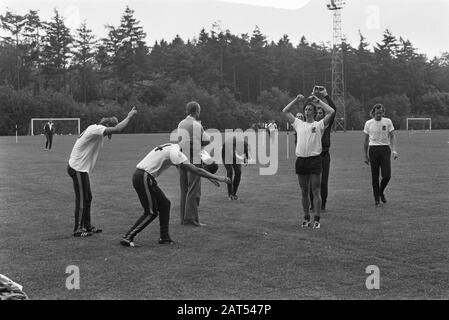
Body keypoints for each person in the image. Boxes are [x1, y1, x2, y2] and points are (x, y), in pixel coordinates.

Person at [120, 143, 230, 247]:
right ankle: (128, 237)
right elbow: (195, 169)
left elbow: (190, 168)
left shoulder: (173, 147)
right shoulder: (177, 153)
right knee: (151, 212)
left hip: (143, 176)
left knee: (165, 204)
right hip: (143, 177)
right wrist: (219, 178)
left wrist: (209, 178)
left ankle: (164, 238)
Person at [67, 106, 138, 237]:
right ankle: (78, 229)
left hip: (81, 169)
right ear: (106, 126)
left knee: (88, 198)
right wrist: (129, 116)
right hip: (77, 168)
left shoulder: (96, 130)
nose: (109, 133)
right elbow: (118, 129)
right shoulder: (95, 129)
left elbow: (113, 129)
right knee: (82, 199)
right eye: (109, 129)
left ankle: (87, 226)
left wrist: (112, 126)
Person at [282, 94, 335, 229]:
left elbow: (331, 111)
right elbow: (285, 111)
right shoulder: (298, 123)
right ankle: (306, 218)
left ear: (315, 112)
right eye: (306, 109)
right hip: (301, 161)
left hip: (315, 160)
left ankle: (316, 219)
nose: (307, 111)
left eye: (310, 109)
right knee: (304, 191)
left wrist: (318, 101)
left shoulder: (319, 125)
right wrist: (296, 100)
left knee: (316, 191)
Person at [177, 101, 211, 227]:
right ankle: (191, 219)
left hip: (181, 158)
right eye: (199, 110)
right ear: (196, 110)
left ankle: (183, 218)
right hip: (193, 159)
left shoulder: (181, 123)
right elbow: (207, 140)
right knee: (194, 189)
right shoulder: (196, 125)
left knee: (184, 189)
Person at [363, 103, 398, 207]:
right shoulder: (368, 123)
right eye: (377, 113)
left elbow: (392, 136)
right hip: (373, 150)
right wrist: (365, 155)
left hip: (385, 149)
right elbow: (365, 140)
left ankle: (380, 191)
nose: (379, 115)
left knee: (387, 175)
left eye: (381, 113)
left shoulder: (387, 122)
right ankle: (376, 199)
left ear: (383, 112)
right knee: (375, 176)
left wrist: (394, 150)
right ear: (373, 112)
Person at [309, 86, 337, 212]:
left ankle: (323, 204)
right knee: (312, 182)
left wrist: (325, 95)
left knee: (323, 182)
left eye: (322, 113)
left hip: (324, 156)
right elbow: (307, 108)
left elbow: (334, 110)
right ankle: (312, 203)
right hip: (312, 155)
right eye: (318, 113)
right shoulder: (310, 124)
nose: (320, 114)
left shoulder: (326, 125)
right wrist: (312, 94)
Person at [221, 136, 249, 200]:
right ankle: (230, 194)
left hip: (234, 154)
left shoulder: (244, 144)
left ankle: (234, 193)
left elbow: (246, 151)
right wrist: (242, 159)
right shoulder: (230, 144)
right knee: (230, 171)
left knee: (238, 172)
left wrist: (246, 159)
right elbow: (233, 156)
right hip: (226, 155)